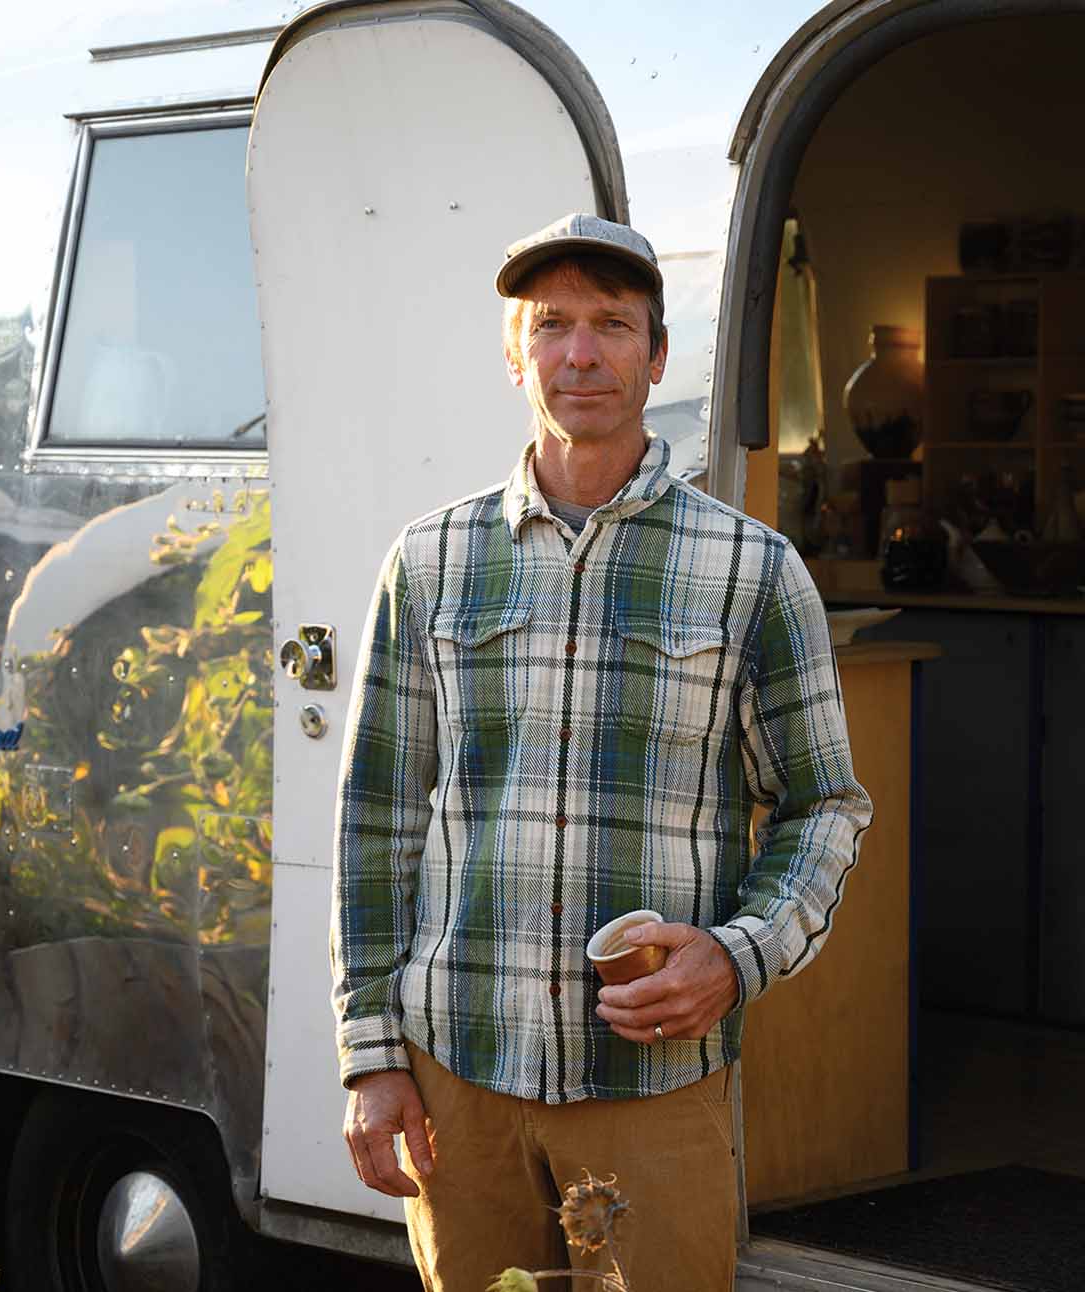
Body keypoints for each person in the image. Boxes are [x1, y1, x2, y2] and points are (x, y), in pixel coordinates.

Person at [329, 213, 872, 1291]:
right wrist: (373, 1055)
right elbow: (378, 816)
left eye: (612, 324)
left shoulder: (751, 568)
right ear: (514, 354)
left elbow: (825, 806)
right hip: (460, 1075)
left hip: (654, 1089)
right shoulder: (429, 561)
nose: (581, 353)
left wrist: (739, 952)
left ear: (656, 355)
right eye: (552, 325)